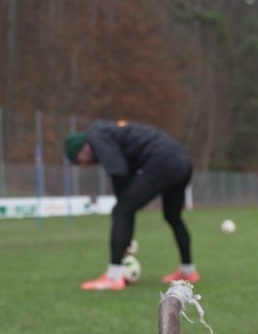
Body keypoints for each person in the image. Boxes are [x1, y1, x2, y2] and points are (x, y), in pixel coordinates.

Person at [65, 119, 196, 290]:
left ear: (83, 148)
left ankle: (113, 276)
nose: (83, 165)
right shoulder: (110, 134)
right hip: (182, 162)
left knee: (121, 211)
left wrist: (124, 206)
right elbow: (126, 168)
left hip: (162, 162)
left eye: (78, 160)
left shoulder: (95, 137)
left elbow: (118, 171)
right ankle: (188, 271)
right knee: (172, 216)